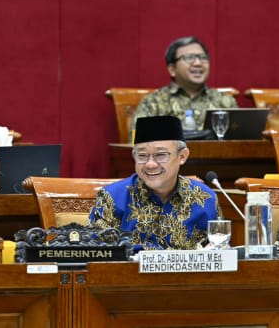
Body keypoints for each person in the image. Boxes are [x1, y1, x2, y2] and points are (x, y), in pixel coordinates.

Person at [89, 115, 220, 251]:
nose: (150, 164)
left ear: (182, 156)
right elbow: (97, 256)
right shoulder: (111, 198)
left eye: (161, 155)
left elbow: (219, 253)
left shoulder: (205, 199)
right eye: (142, 156)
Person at [130, 36, 237, 140]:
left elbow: (242, 144)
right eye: (189, 58)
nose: (198, 63)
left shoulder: (225, 102)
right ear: (172, 69)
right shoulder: (153, 103)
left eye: (203, 58)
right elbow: (136, 143)